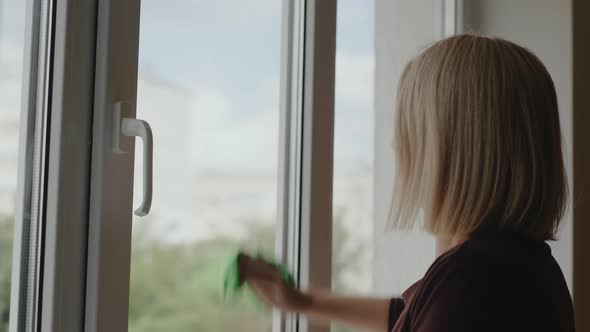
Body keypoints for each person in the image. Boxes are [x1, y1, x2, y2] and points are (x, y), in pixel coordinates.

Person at [243, 34, 576, 332]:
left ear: (454, 153)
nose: (396, 146)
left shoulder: (472, 283)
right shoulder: (518, 269)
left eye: (411, 132)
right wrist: (307, 303)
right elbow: (411, 312)